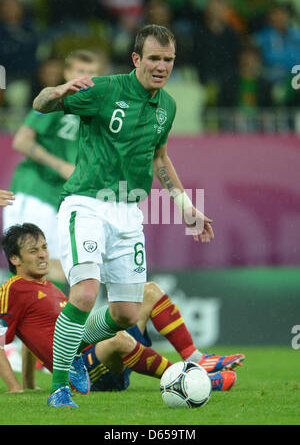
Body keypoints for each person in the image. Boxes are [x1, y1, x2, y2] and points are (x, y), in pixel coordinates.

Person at [33, 24, 215, 407]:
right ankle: (60, 387)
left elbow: (160, 157)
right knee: (83, 293)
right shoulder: (104, 89)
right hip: (86, 204)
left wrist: (185, 208)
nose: (161, 67)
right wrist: (57, 93)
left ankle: (71, 346)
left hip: (129, 213)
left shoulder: (168, 105)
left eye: (168, 60)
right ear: (136, 59)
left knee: (126, 313)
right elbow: (40, 104)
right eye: (153, 58)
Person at [0, 223, 244, 404]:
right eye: (33, 251)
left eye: (44, 247)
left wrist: (29, 384)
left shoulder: (46, 286)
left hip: (97, 351)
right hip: (84, 367)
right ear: (15, 259)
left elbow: (30, 338)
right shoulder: (12, 290)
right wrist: (15, 387)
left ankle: (195, 358)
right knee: (117, 339)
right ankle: (191, 378)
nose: (43, 254)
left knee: (149, 291)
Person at [3, 49, 108, 288]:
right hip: (34, 191)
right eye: (80, 71)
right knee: (32, 267)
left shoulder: (94, 111)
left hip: (58, 199)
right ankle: (14, 323)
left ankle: (51, 325)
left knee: (59, 267)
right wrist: (59, 165)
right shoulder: (57, 101)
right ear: (68, 73)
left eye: (91, 73)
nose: (85, 78)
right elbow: (21, 141)